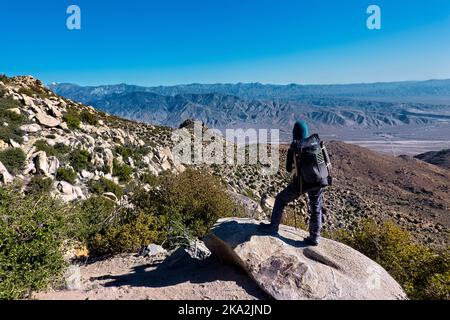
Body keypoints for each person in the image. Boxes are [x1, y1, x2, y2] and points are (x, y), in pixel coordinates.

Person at [259, 120, 331, 246]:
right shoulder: (316, 143)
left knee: (280, 199)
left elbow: (288, 168)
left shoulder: (296, 146)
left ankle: (273, 227)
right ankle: (315, 237)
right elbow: (322, 163)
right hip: (319, 180)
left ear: (295, 132)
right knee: (316, 208)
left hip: (302, 183)